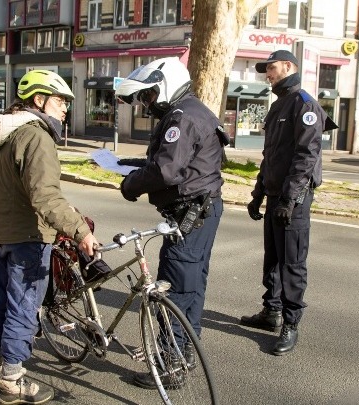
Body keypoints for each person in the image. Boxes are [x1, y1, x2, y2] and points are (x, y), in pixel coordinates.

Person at [0, 69, 99, 405]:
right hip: (28, 236)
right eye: (60, 101)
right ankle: (12, 379)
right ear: (39, 100)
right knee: (24, 306)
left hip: (3, 232)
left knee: (3, 301)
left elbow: (19, 189)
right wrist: (80, 230)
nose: (65, 109)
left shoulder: (10, 131)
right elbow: (44, 195)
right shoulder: (36, 136)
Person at [115, 57, 229, 388]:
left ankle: (170, 365)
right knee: (191, 287)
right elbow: (174, 161)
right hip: (199, 212)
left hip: (190, 215)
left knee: (175, 290)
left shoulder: (181, 117)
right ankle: (185, 353)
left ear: (166, 85)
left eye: (149, 96)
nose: (147, 104)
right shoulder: (191, 110)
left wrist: (130, 184)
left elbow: (166, 171)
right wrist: (132, 165)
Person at [240, 50, 337, 356]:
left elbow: (306, 157)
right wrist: (258, 195)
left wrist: (290, 199)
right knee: (272, 258)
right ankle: (271, 312)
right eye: (266, 69)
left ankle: (291, 324)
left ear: (289, 67)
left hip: (292, 201)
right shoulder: (278, 105)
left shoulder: (304, 104)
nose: (267, 74)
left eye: (271, 68)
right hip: (274, 198)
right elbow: (271, 158)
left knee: (292, 263)